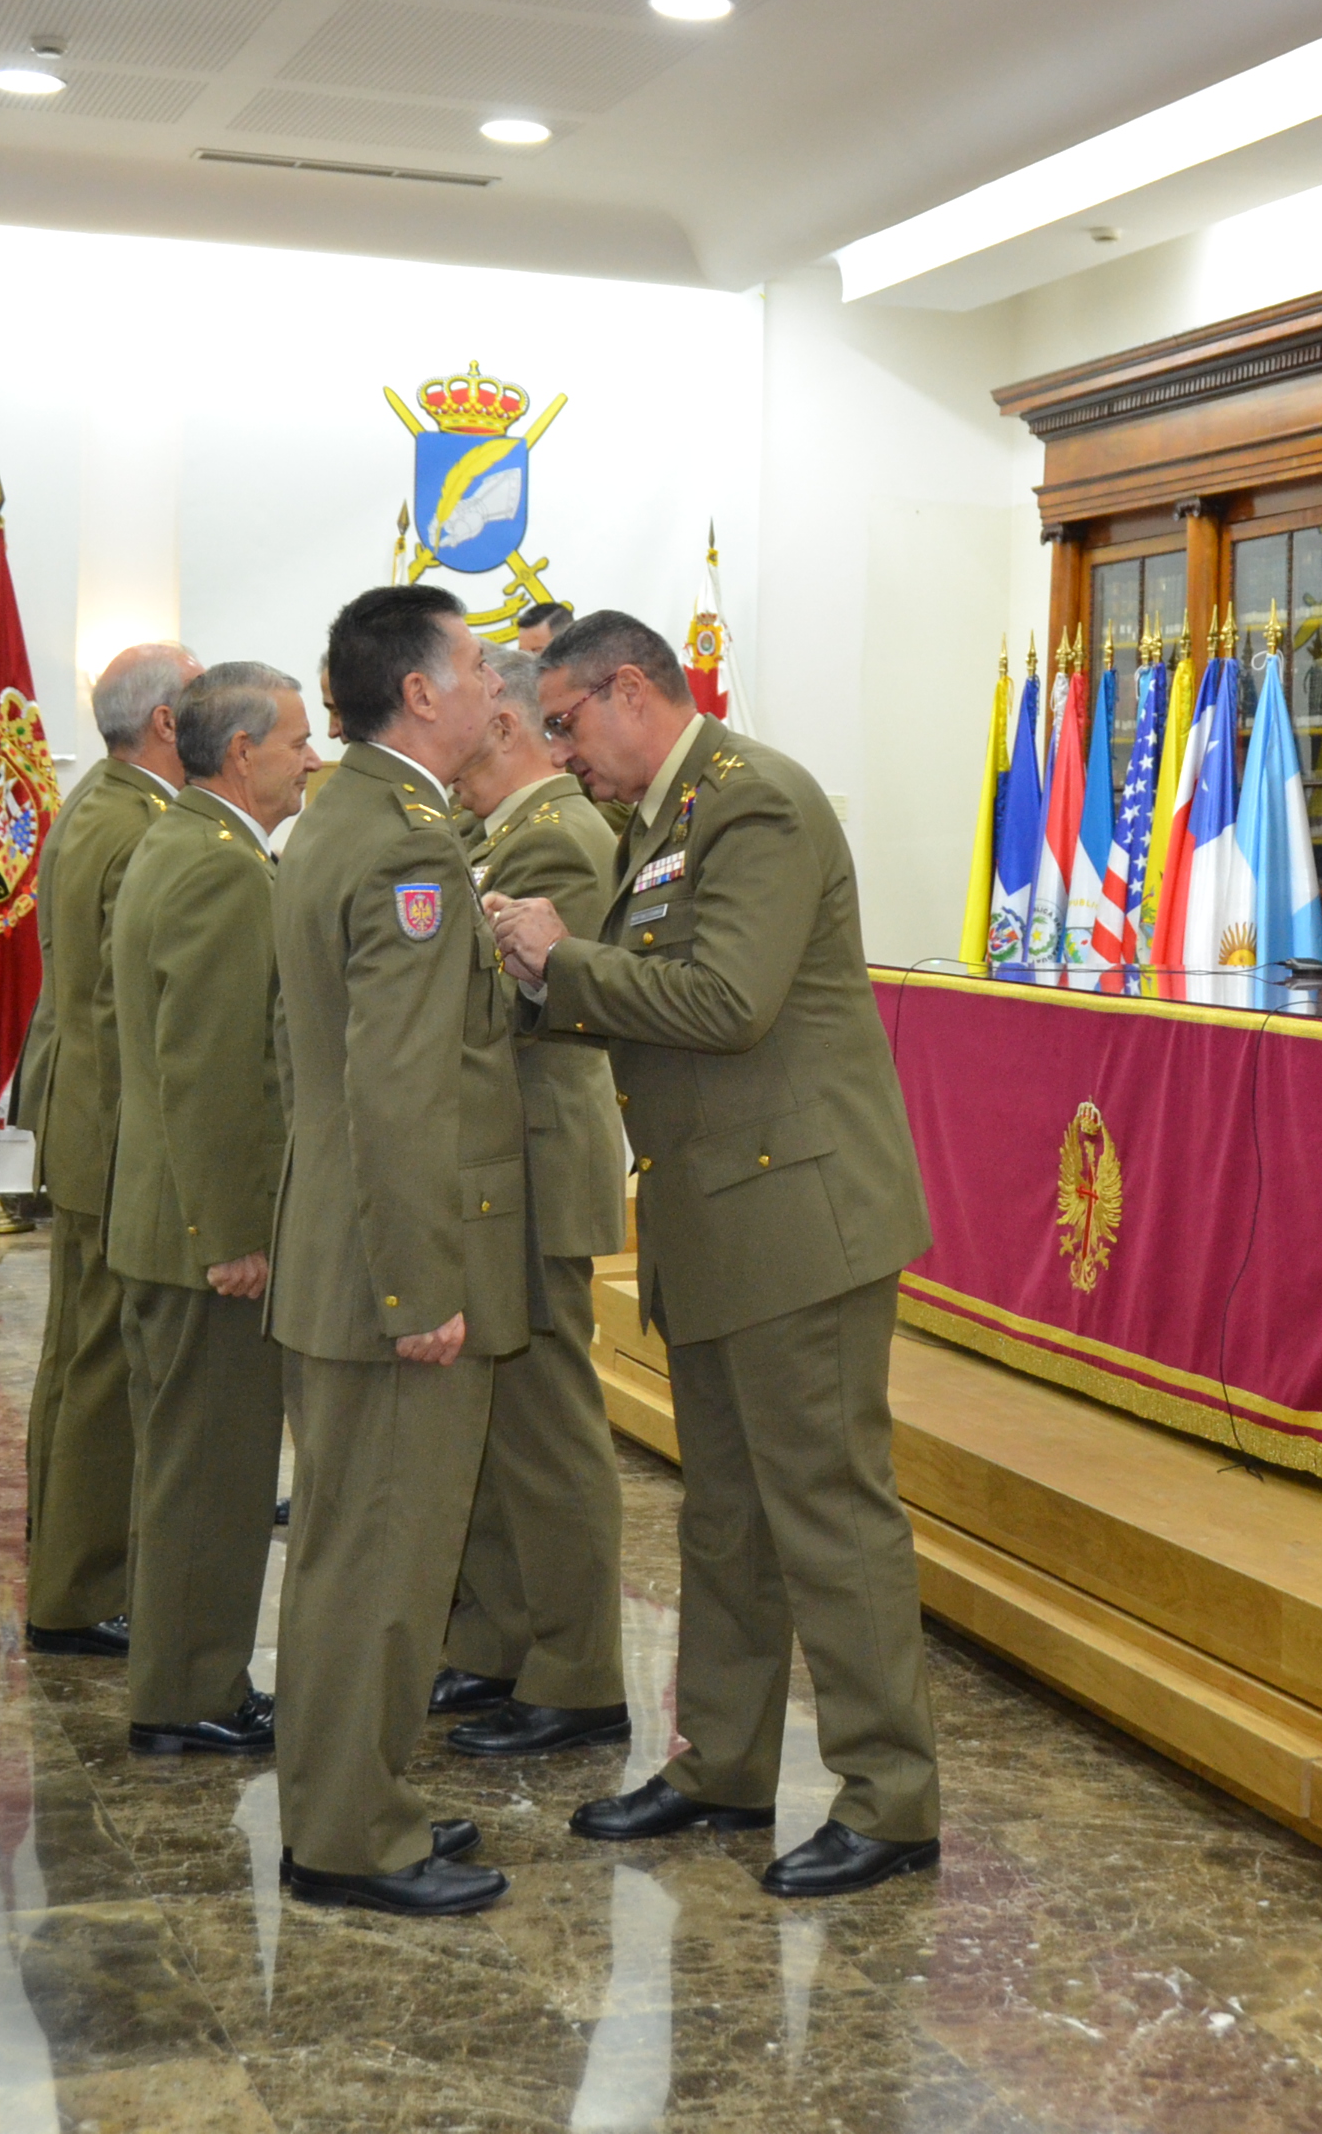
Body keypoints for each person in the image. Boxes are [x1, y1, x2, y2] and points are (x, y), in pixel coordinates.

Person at [485, 611, 940, 1899]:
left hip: (798, 1215)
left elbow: (727, 1003)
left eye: (567, 724)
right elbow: (663, 995)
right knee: (729, 1517)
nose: (562, 754)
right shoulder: (669, 812)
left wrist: (555, 963)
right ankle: (720, 1766)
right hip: (719, 1211)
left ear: (631, 690)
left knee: (829, 1515)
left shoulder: (758, 805)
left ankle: (892, 1799)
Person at [267, 587, 527, 1917]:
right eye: (479, 667)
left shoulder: (352, 816)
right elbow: (402, 1090)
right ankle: (348, 1839)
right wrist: (424, 1289)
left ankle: (352, 1801)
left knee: (347, 1556)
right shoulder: (407, 851)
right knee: (380, 1565)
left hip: (339, 1249)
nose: (497, 688)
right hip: (391, 1271)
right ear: (420, 692)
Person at [106, 662, 321, 1755]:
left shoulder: (183, 841)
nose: (311, 758)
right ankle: (191, 1693)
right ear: (241, 754)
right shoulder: (226, 870)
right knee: (213, 1474)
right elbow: (217, 1071)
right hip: (205, 1235)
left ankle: (188, 1675)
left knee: (191, 1465)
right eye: (295, 741)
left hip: (167, 1218)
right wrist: (238, 1234)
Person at [430, 645, 631, 1757]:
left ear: (500, 717)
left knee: (549, 1427)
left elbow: (556, 999)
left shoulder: (559, 834)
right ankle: (495, 1643)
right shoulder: (492, 833)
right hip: (497, 1157)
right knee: (501, 1423)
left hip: (540, 1156)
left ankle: (579, 1671)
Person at [23, 642, 199, 1656]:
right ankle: (81, 1593)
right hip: (115, 1127)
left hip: (84, 1117)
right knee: (98, 1369)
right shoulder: (143, 829)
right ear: (170, 722)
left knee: (74, 1359)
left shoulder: (101, 799)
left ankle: (67, 1564)